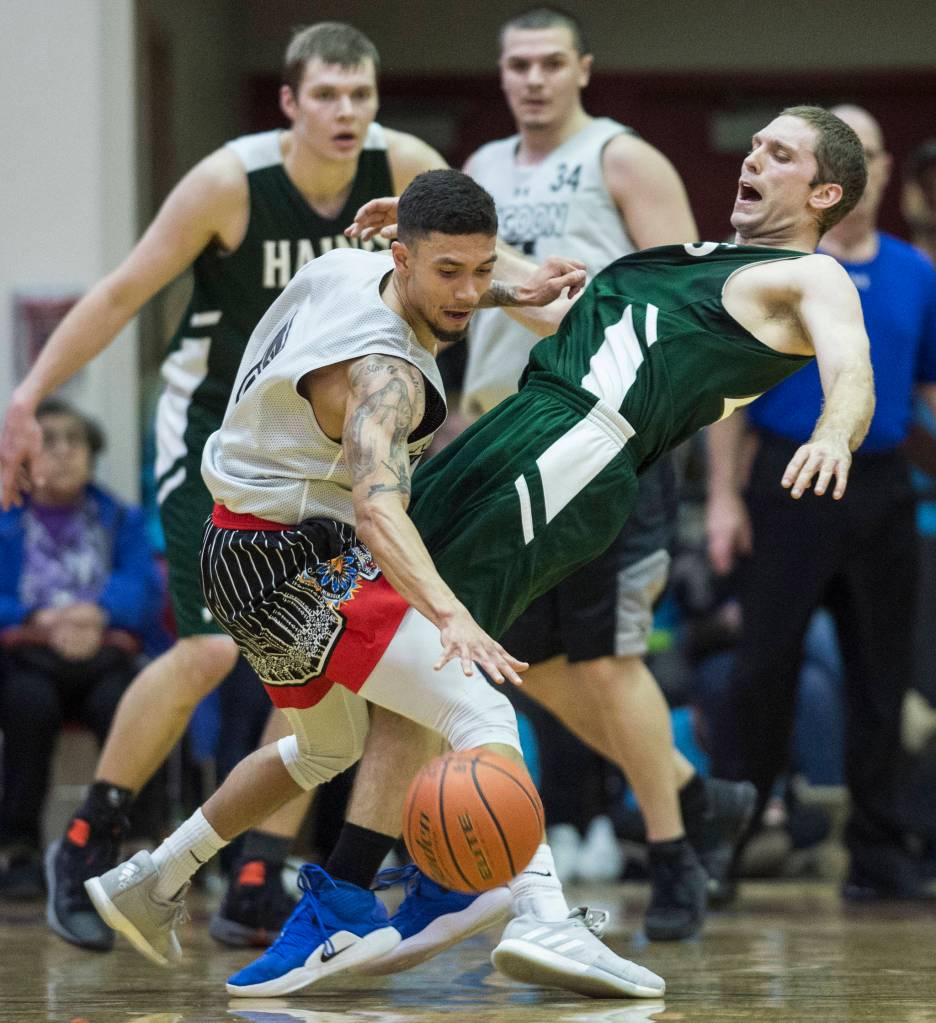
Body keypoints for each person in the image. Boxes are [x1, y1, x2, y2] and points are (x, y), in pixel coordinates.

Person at [88, 103, 873, 997]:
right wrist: (442, 258)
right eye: (758, 142)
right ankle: (377, 891)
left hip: (574, 449)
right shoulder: (699, 264)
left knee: (440, 682)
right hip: (511, 433)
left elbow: (850, 363)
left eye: (781, 152)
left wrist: (836, 433)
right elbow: (580, 316)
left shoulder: (813, 275)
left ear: (824, 191)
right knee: (413, 677)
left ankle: (411, 897)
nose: (757, 157)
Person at [85, 170, 667, 1002]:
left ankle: (154, 876)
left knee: (324, 748)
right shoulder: (382, 378)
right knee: (481, 701)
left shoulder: (354, 262)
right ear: (401, 255)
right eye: (450, 273)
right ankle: (542, 913)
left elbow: (444, 281)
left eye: (480, 268)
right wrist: (451, 615)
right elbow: (377, 511)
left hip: (237, 547)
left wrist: (508, 287)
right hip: (300, 558)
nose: (469, 292)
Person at [0, 22, 453, 951]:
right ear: (289, 102)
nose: (345, 113)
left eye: (360, 96)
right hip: (215, 438)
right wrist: (29, 394)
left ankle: (258, 871)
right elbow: (124, 292)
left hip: (326, 453)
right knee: (212, 651)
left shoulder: (406, 168)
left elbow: (470, 270)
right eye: (326, 95)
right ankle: (90, 837)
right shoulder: (230, 183)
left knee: (318, 653)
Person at [455, 5, 750, 941]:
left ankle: (671, 859)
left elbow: (689, 301)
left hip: (610, 434)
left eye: (550, 62)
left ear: (582, 68)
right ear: (501, 75)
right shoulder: (482, 172)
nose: (533, 78)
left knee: (612, 656)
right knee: (524, 659)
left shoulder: (625, 158)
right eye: (517, 65)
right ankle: (699, 793)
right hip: (506, 438)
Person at [705, 104, 936, 902]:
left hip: (879, 485)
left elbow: (929, 386)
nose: (863, 164)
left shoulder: (915, 271)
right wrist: (725, 503)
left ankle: (879, 852)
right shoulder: (774, 269)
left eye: (874, 149)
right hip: (786, 484)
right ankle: (726, 851)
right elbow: (725, 399)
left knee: (884, 676)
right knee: (762, 669)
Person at [0, 399, 165, 898]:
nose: (66, 451)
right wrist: (39, 619)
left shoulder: (120, 517)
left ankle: (135, 847)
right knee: (29, 706)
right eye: (50, 441)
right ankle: (19, 851)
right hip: (27, 657)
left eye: (77, 441)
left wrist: (98, 614)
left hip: (104, 653)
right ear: (25, 457)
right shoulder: (6, 519)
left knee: (136, 704)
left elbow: (146, 587)